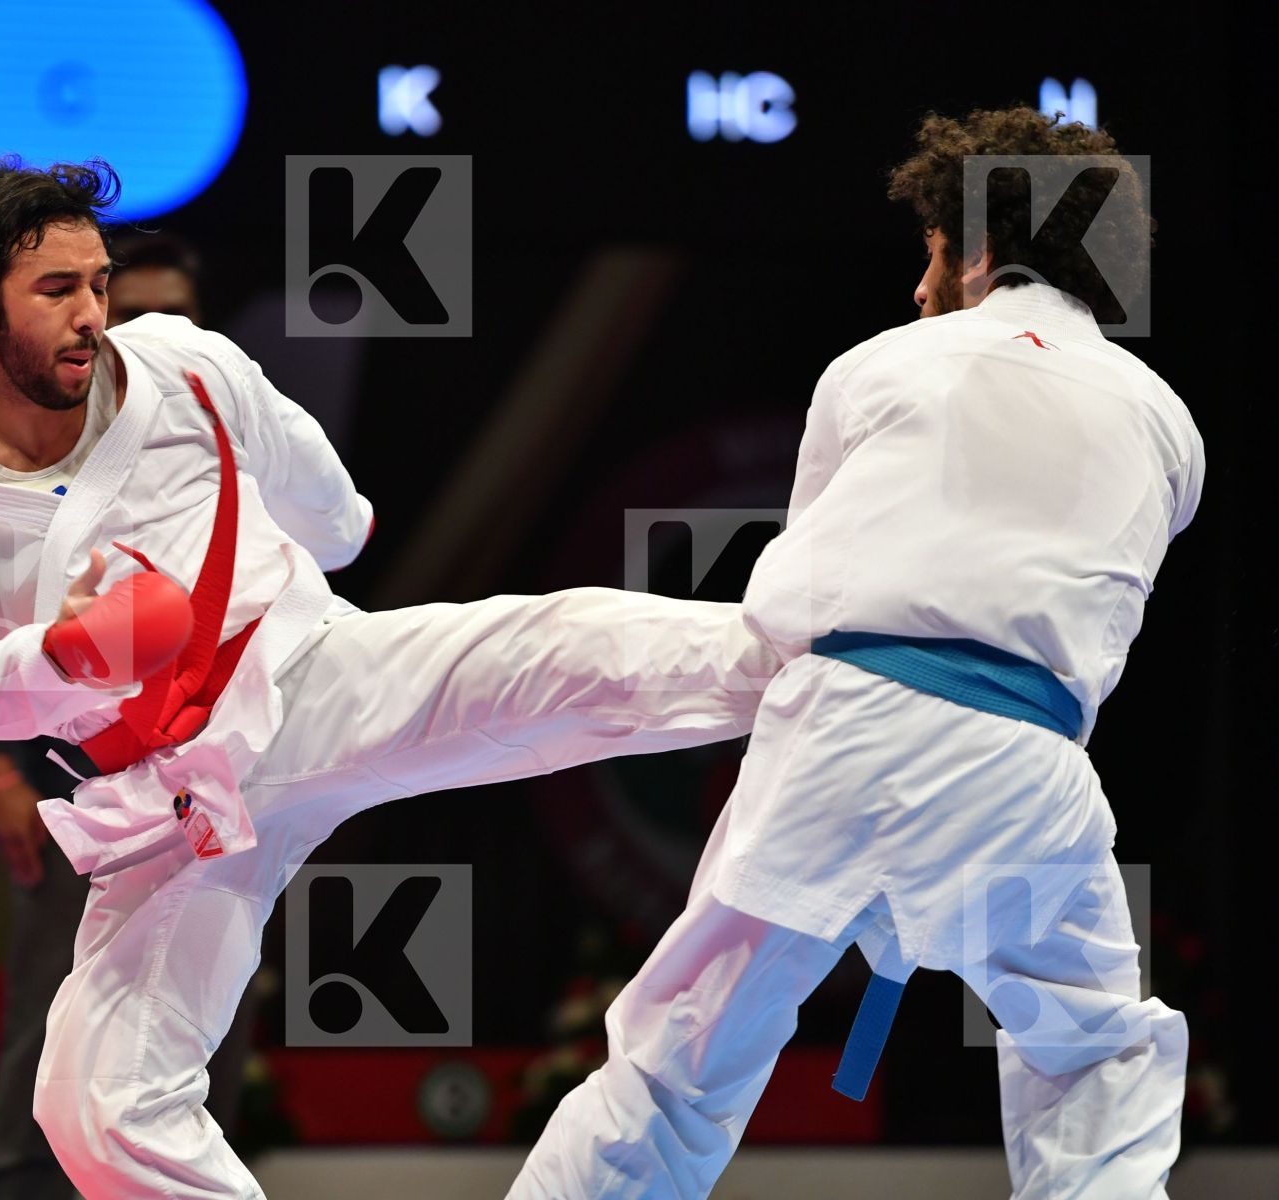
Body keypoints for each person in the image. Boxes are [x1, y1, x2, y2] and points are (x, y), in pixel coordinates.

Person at [0, 155, 781, 1197]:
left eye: (100, 282)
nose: (90, 314)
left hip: (313, 677)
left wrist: (252, 583)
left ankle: (829, 655)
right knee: (90, 1106)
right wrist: (67, 655)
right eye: (57, 290)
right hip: (172, 803)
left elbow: (336, 521)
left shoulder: (184, 367)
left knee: (556, 653)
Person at [510, 107, 1200, 1198]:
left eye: (931, 258)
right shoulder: (1167, 422)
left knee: (676, 1072)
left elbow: (802, 600)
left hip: (844, 724)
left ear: (976, 252)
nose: (920, 290)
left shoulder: (880, 367)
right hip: (1029, 763)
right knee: (1096, 1058)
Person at [0, 231, 238, 1200]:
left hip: (216, 792)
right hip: (85, 793)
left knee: (201, 1041)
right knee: (55, 1026)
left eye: (178, 318)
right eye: (133, 315)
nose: (153, 335)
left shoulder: (226, 437)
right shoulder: (29, 436)